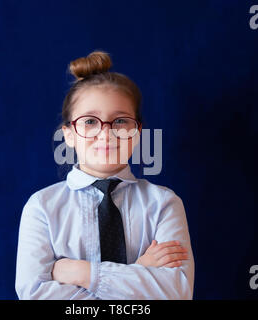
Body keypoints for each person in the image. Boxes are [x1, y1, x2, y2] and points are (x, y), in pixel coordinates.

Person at [15, 51, 194, 300]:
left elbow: (177, 293)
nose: (106, 133)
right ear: (68, 134)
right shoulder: (42, 208)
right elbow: (35, 295)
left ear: (138, 132)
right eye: (90, 121)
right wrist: (140, 273)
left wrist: (82, 273)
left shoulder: (164, 204)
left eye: (120, 121)